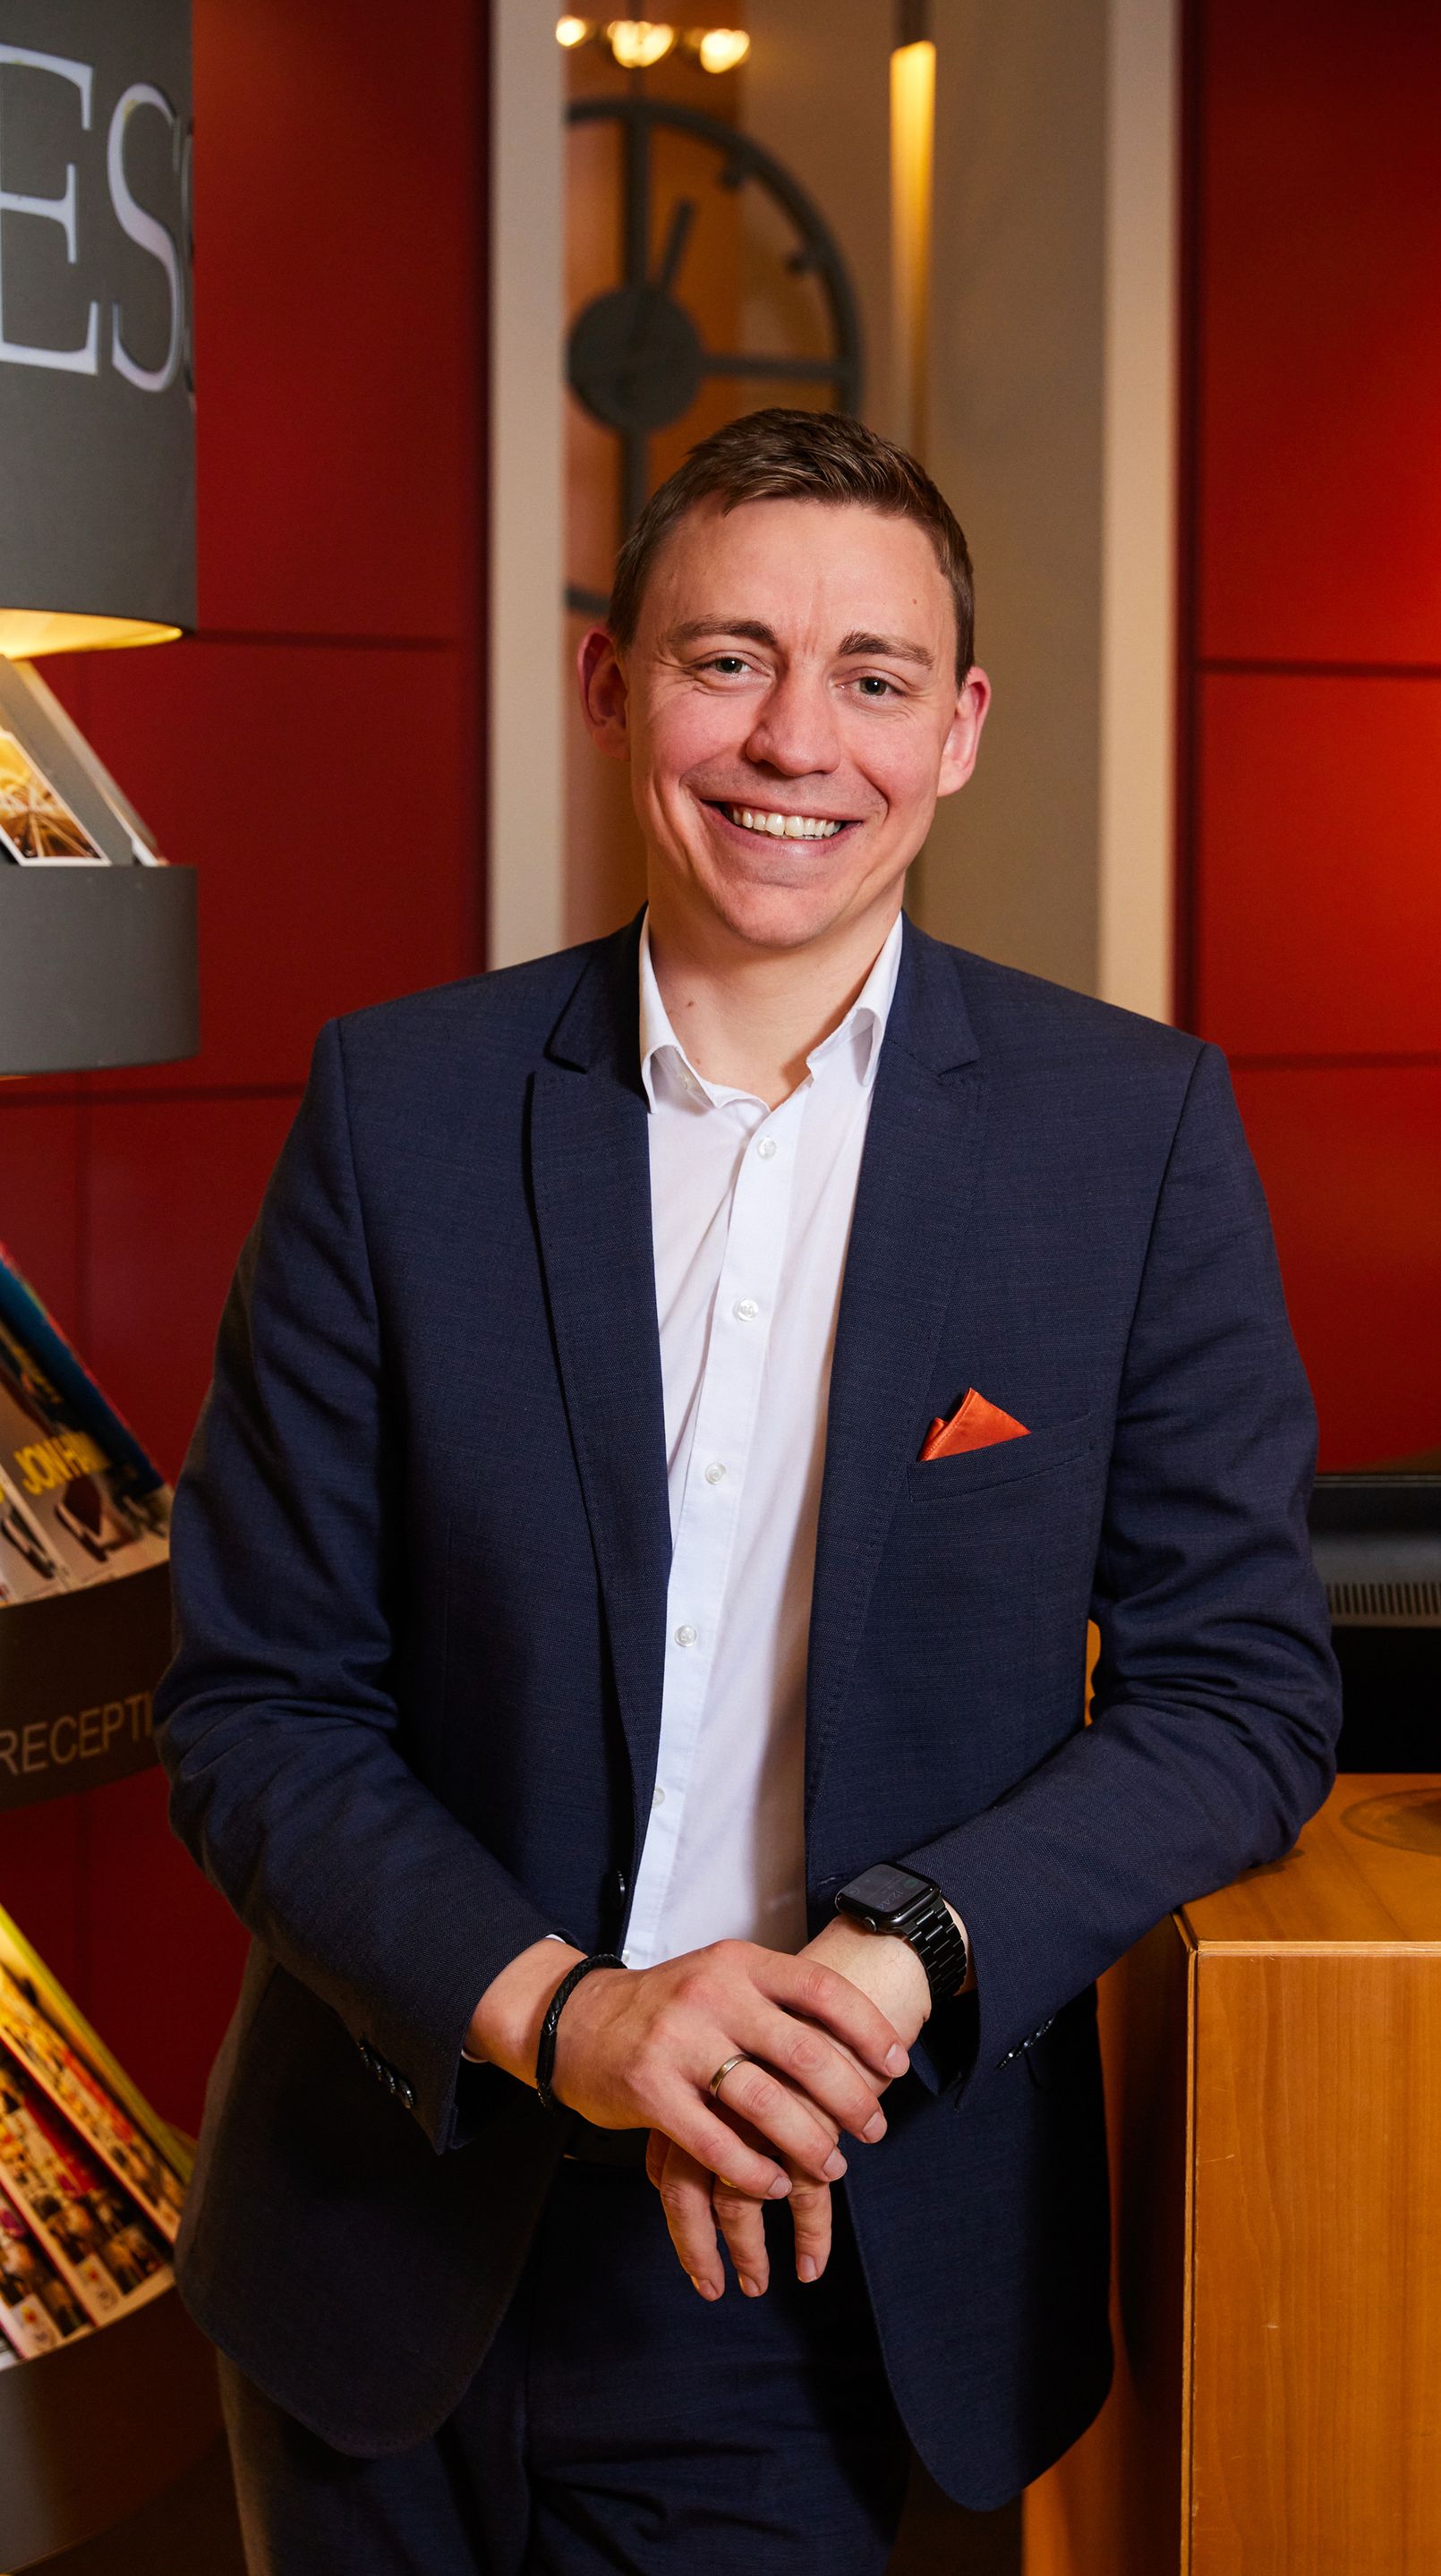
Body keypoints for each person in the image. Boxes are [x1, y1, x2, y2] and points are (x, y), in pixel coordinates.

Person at [157, 408, 1339, 2575]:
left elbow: (1240, 1696)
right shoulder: (397, 1109)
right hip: (388, 2231)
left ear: (961, 727)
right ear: (612, 683)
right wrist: (576, 2014)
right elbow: (257, 1704)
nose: (799, 741)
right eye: (727, 661)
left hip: (834, 2246)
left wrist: (891, 1970)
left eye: (874, 679)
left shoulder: (1127, 1136)